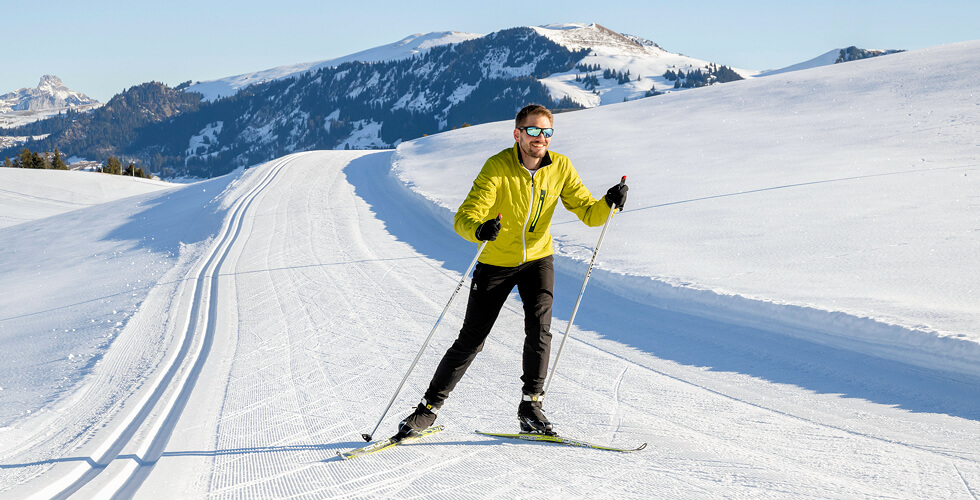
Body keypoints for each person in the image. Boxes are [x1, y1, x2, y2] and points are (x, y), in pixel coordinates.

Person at [397, 104, 629, 437]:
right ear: (517, 134)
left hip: (538, 259)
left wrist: (609, 201)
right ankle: (427, 409)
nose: (540, 138)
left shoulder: (560, 167)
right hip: (496, 262)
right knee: (471, 340)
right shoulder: (497, 167)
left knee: (540, 329)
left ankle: (531, 407)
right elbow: (465, 216)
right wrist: (479, 230)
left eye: (546, 131)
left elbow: (589, 213)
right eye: (533, 130)